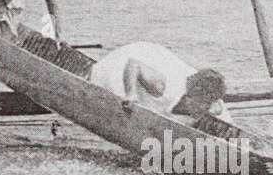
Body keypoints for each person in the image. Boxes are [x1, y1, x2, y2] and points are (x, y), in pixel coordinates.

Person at [89, 41, 233, 123]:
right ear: (191, 96)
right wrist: (130, 93)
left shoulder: (211, 99)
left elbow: (223, 115)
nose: (205, 108)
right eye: (203, 103)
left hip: (153, 56)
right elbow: (133, 64)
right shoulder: (162, 87)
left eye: (209, 103)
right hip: (119, 64)